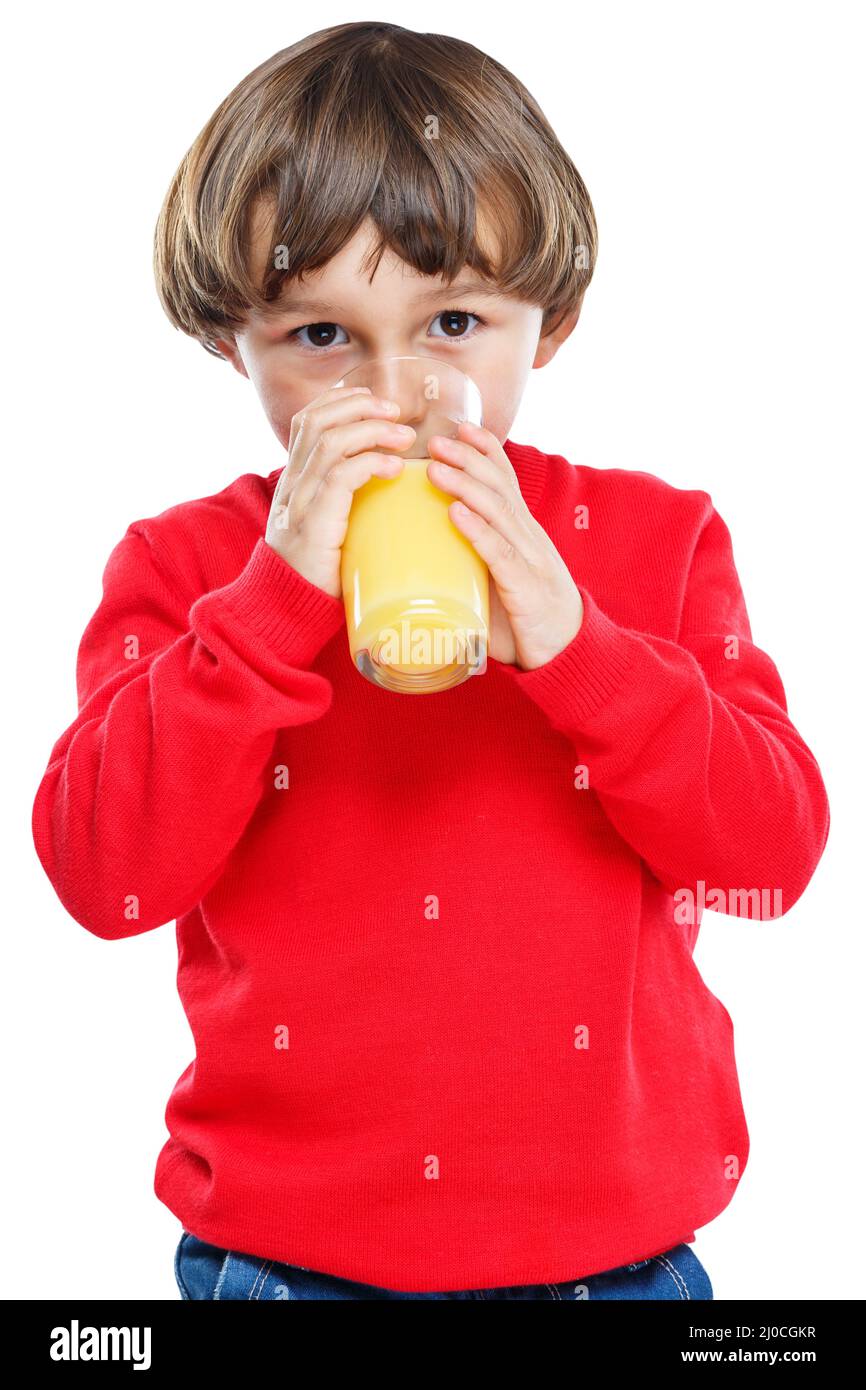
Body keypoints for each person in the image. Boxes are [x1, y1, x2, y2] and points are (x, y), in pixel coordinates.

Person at [31, 21, 830, 1300]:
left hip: (612, 1261)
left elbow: (768, 857)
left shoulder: (650, 540)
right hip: (287, 1263)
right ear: (229, 338)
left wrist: (577, 646)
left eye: (451, 320)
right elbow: (102, 875)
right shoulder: (187, 571)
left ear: (547, 323)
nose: (396, 393)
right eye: (319, 338)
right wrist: (275, 600)